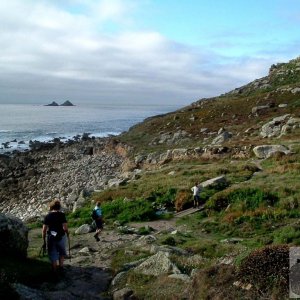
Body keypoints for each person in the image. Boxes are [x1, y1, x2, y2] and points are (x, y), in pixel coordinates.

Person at [42, 199, 69, 273]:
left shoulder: (47, 216)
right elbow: (65, 227)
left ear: (51, 207)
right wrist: (67, 233)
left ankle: (54, 270)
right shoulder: (62, 215)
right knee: (61, 252)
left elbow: (44, 230)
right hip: (61, 236)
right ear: (59, 207)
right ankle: (61, 267)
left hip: (51, 237)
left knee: (52, 253)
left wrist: (44, 240)